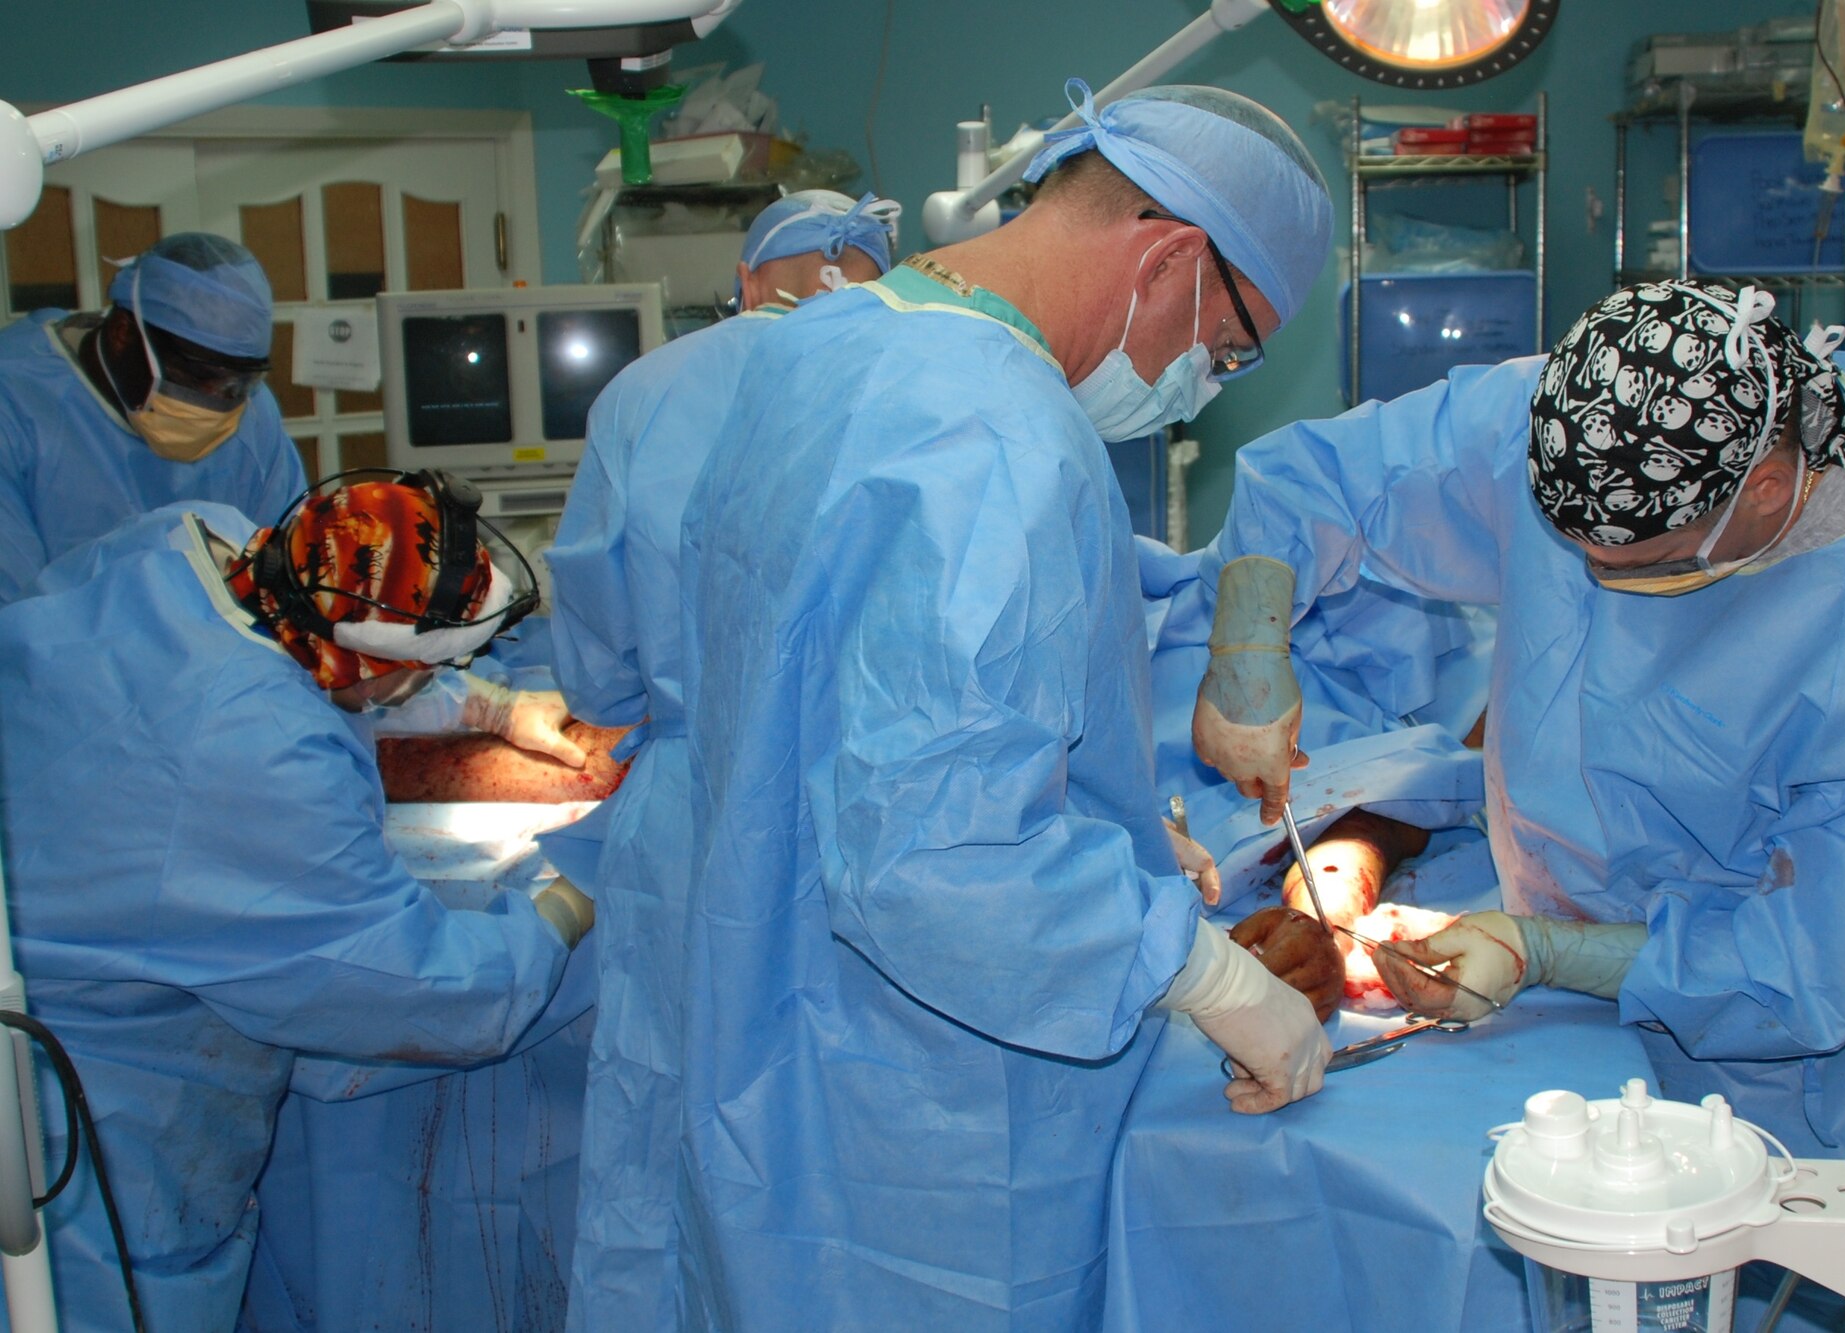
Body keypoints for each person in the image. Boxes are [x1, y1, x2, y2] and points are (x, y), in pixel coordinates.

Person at [661, 80, 1334, 1328]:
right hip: (927, 1122)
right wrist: (1197, 972)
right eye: (1227, 348)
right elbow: (935, 859)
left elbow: (837, 703)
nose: (1204, 384)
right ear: (1171, 257)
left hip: (773, 1034)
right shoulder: (992, 435)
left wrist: (1106, 819)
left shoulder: (825, 343)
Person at [1194, 279, 1845, 1158]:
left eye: (1637, 566)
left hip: (1755, 1066)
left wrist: (1548, 952)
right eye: (1566, 547)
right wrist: (1246, 650)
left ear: (1767, 490)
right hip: (1549, 979)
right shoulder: (1596, 411)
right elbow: (1322, 475)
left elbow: (1814, 965)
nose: (1590, 582)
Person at [0, 472, 596, 1332]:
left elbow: (292, 652)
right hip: (86, 1116)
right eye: (419, 670)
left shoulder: (191, 544)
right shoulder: (255, 757)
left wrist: (484, 704)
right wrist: (567, 906)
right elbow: (422, 988)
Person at [543, 186, 899, 1331]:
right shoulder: (913, 384)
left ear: (746, 281)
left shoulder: (648, 392)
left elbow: (597, 672)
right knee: (838, 1145)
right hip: (863, 820)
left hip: (690, 822)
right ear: (879, 278)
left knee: (659, 1130)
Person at [0, 231, 306, 604]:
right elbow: (15, 626)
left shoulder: (252, 416)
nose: (214, 402)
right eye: (194, 379)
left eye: (237, 383)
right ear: (123, 333)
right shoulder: (16, 407)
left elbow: (291, 570)